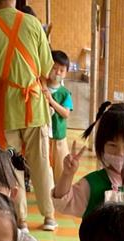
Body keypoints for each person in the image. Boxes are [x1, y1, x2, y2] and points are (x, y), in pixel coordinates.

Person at [0, 0, 57, 231]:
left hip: (3, 107)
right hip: (33, 104)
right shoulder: (33, 23)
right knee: (41, 163)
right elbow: (46, 68)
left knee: (10, 165)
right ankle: (49, 216)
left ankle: (21, 220)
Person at [53, 101, 124, 218]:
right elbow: (63, 203)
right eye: (112, 145)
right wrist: (67, 175)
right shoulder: (92, 184)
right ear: (101, 145)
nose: (120, 153)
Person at [46, 50, 73, 183]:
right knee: (45, 172)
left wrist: (51, 101)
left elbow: (66, 113)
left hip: (59, 138)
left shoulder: (65, 93)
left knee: (61, 171)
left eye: (61, 70)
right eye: (54, 68)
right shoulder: (41, 87)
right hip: (43, 136)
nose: (57, 73)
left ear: (66, 73)